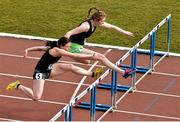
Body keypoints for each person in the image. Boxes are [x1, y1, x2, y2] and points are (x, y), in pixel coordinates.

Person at [6, 37, 134, 101]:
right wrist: (90, 55)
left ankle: (92, 74)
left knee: (70, 66)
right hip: (40, 73)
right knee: (36, 97)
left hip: (50, 69)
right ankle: (18, 86)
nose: (68, 48)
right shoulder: (56, 50)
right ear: (61, 45)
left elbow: (40, 48)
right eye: (67, 46)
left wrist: (28, 50)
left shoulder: (55, 47)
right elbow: (74, 55)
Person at [65, 7, 134, 64]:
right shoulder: (85, 27)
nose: (103, 23)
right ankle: (71, 52)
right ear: (96, 20)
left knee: (87, 62)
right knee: (97, 57)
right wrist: (65, 46)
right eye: (102, 21)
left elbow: (112, 27)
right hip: (74, 45)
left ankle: (73, 54)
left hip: (80, 43)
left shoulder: (95, 22)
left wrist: (125, 32)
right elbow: (68, 33)